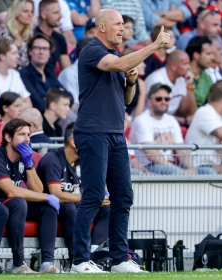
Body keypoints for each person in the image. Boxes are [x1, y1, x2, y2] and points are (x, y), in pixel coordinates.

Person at [71, 7, 170, 273]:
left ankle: (119, 259)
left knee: (123, 195)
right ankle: (79, 260)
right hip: (92, 132)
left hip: (115, 134)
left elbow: (126, 100)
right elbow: (120, 64)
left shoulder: (114, 55)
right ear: (102, 27)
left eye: (123, 26)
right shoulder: (93, 51)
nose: (122, 29)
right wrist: (155, 45)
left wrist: (132, 81)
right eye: (117, 25)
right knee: (92, 195)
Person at [37, 122, 110, 266]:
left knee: (107, 209)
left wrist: (102, 195)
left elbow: (102, 191)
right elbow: (56, 194)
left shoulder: (86, 161)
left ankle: (94, 254)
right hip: (50, 208)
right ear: (74, 142)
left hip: (76, 205)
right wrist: (90, 199)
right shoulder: (53, 159)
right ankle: (77, 258)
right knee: (70, 207)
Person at [0, 118, 60, 273]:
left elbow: (38, 190)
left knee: (47, 207)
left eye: (28, 135)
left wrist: (29, 163)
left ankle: (47, 263)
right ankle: (18, 264)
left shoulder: (23, 159)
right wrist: (47, 196)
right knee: (19, 202)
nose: (27, 139)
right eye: (21, 134)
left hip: (13, 205)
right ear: (8, 138)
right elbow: (11, 191)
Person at [130, 83, 215, 175]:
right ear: (149, 102)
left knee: (209, 172)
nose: (163, 102)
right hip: (148, 167)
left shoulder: (171, 120)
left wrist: (192, 169)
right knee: (175, 172)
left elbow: (181, 150)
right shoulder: (141, 120)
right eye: (159, 99)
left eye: (167, 99)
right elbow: (151, 154)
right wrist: (178, 170)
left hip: (170, 165)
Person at [145, 50, 196, 127]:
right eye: (185, 64)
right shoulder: (157, 80)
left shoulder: (182, 79)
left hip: (169, 122)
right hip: (150, 122)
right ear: (174, 66)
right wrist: (183, 121)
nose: (189, 67)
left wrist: (189, 85)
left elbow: (188, 111)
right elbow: (156, 114)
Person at [19, 33, 68, 113]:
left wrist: (49, 100)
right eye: (37, 48)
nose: (41, 52)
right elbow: (38, 104)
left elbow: (69, 97)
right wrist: (58, 99)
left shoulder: (49, 73)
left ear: (49, 53)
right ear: (30, 51)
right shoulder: (23, 74)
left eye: (45, 49)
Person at [0, 37, 32, 111]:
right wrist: (17, 105)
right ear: (2, 56)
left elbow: (28, 104)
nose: (18, 56)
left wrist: (10, 107)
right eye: (14, 53)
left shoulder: (15, 75)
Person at [0, 0, 34, 69]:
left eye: (31, 11)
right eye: (25, 11)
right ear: (16, 12)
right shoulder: (3, 31)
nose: (30, 15)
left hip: (25, 76)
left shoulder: (29, 34)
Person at [35, 0, 71, 75]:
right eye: (55, 13)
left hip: (52, 80)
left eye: (60, 12)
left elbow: (67, 69)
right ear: (43, 15)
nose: (60, 16)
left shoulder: (60, 38)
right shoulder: (32, 36)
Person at [185, 35, 214, 108]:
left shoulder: (207, 78)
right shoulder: (182, 75)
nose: (212, 58)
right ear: (196, 55)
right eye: (208, 54)